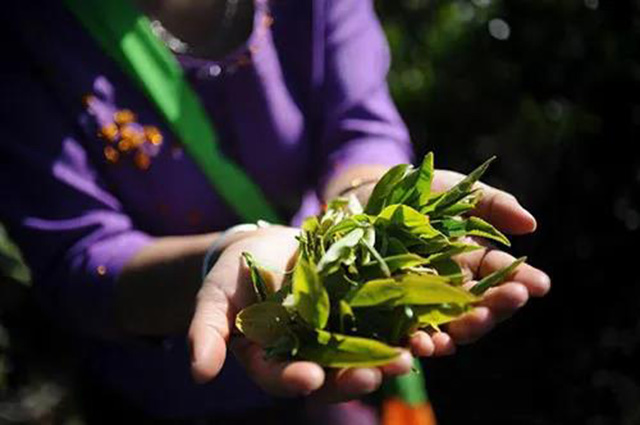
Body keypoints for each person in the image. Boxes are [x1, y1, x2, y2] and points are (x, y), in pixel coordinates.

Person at [0, 0, 550, 422]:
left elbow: (359, 126)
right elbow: (77, 259)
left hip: (338, 361)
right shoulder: (29, 35)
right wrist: (219, 259)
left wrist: (368, 197)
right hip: (170, 398)